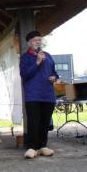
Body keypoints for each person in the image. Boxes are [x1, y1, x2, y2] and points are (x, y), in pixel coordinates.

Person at [20, 30, 59, 159]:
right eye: (36, 40)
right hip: (33, 95)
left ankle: (43, 146)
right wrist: (37, 62)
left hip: (48, 94)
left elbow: (54, 72)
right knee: (33, 122)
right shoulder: (25, 57)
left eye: (39, 40)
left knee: (44, 122)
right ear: (29, 42)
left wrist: (54, 77)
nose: (38, 42)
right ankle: (32, 147)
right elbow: (24, 74)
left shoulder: (47, 55)